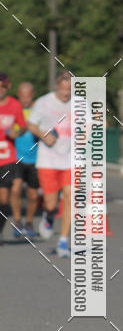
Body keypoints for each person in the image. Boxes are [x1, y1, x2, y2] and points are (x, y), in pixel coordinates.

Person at [27, 71, 72, 257]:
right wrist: (43, 135)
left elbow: (91, 122)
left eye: (69, 91)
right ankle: (49, 214)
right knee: (51, 202)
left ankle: (63, 241)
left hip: (70, 158)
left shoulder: (79, 103)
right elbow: (31, 124)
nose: (66, 95)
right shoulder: (44, 102)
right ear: (56, 87)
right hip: (48, 159)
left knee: (70, 197)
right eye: (63, 91)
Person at [11, 81, 40, 238]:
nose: (25, 100)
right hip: (16, 157)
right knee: (15, 189)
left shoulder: (39, 110)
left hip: (36, 158)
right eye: (22, 97)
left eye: (28, 97)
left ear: (32, 96)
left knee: (33, 195)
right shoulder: (14, 109)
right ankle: (17, 221)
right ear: (18, 95)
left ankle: (28, 222)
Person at [0, 72, 26, 244]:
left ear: (8, 87)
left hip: (8, 158)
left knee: (9, 196)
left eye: (2, 86)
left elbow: (23, 126)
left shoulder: (14, 105)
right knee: (2, 199)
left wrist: (17, 132)